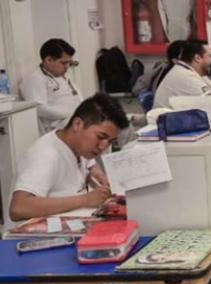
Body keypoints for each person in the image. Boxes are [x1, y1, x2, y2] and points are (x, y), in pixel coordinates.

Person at [9, 93, 129, 221]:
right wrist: (85, 199)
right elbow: (19, 208)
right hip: (39, 234)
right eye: (100, 137)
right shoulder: (46, 156)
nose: (103, 146)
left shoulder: (80, 147)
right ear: (77, 124)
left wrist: (95, 174)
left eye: (110, 141)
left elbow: (89, 165)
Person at [20, 38, 82, 133]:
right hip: (59, 126)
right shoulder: (35, 78)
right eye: (63, 63)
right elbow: (39, 109)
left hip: (75, 119)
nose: (67, 67)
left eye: (69, 63)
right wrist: (74, 113)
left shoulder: (62, 76)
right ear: (48, 60)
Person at [153, 40, 211, 110]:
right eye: (210, 56)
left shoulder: (186, 70)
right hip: (171, 120)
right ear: (197, 58)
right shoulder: (185, 76)